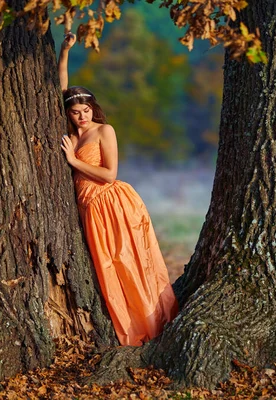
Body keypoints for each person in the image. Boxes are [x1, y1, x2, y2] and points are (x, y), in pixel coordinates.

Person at [58, 33, 178, 346]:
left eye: (86, 110)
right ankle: (128, 324)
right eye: (75, 111)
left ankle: (152, 324)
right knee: (107, 271)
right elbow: (59, 90)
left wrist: (72, 160)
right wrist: (65, 51)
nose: (81, 115)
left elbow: (109, 175)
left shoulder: (103, 131)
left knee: (129, 262)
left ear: (93, 109)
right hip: (91, 210)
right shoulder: (74, 132)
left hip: (112, 203)